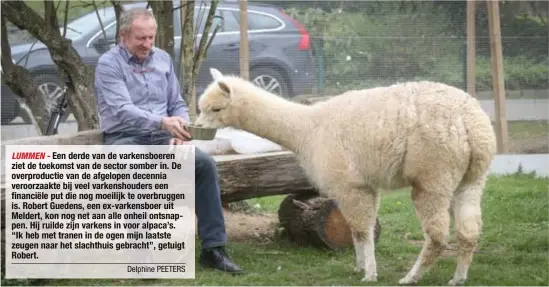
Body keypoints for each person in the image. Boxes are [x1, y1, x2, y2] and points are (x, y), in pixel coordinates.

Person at [94, 7, 242, 274]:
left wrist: (181, 132)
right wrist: (163, 122)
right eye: (141, 38)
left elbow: (177, 103)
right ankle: (142, 256)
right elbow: (122, 110)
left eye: (151, 37)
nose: (148, 44)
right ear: (123, 35)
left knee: (204, 164)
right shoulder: (108, 64)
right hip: (125, 139)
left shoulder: (162, 58)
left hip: (163, 140)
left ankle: (214, 249)